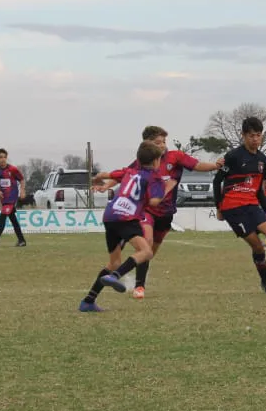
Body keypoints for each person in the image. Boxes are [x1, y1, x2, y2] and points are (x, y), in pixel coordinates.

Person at [98, 125, 223, 298]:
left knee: (150, 252)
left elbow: (197, 165)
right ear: (148, 144)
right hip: (148, 210)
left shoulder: (175, 157)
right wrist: (106, 185)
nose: (163, 145)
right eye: (158, 143)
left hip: (166, 213)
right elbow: (124, 174)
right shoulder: (144, 160)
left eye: (164, 142)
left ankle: (133, 278)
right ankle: (138, 287)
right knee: (146, 242)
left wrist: (215, 165)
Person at [79, 141, 167, 312]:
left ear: (138, 159)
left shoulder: (129, 171)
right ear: (157, 161)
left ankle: (88, 301)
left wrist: (97, 178)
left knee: (114, 262)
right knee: (146, 252)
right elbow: (154, 202)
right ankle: (115, 276)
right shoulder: (154, 177)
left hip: (110, 215)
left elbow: (107, 174)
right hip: (126, 217)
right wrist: (163, 192)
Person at [213, 117, 266, 294]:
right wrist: (219, 208)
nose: (255, 139)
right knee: (258, 246)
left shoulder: (262, 160)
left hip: (252, 205)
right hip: (233, 208)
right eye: (251, 135)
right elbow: (217, 181)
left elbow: (259, 189)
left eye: (258, 135)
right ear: (243, 135)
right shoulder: (233, 156)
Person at [0, 148, 27, 247]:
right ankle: (22, 240)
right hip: (4, 198)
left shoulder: (12, 169)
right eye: (0, 157)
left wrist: (22, 190)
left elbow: (22, 179)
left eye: (4, 157)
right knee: (13, 220)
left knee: (2, 217)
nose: (3, 159)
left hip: (11, 197)